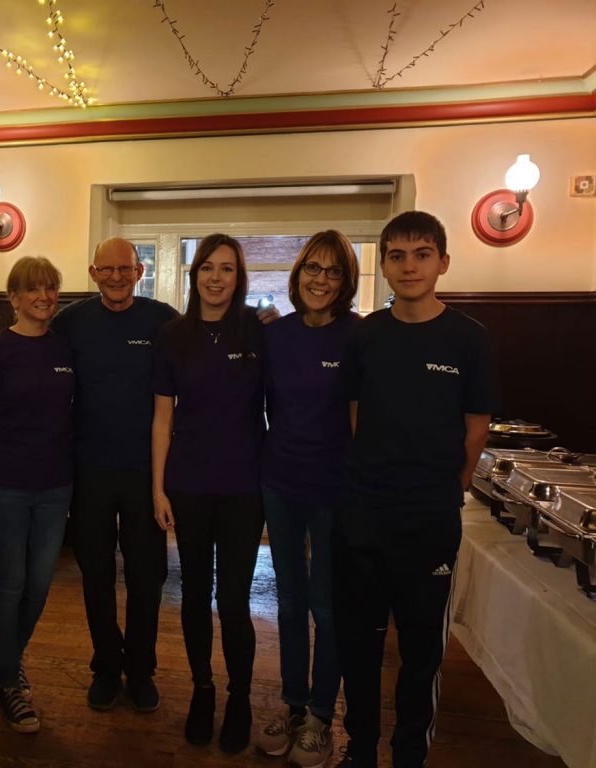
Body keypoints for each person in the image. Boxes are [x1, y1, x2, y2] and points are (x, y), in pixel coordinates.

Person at [0, 238, 176, 713]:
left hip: (145, 474)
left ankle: (140, 670)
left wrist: (260, 323)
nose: (117, 277)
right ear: (94, 272)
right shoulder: (72, 322)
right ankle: (105, 667)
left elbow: (205, 336)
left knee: (147, 578)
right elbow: (26, 333)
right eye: (108, 269)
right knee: (96, 577)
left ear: (140, 271)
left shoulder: (161, 319)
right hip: (86, 473)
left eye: (126, 269)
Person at [334, 211, 499, 768]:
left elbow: (477, 427)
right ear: (383, 266)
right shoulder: (365, 337)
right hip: (363, 512)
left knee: (422, 650)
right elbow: (355, 413)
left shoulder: (469, 339)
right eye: (398, 256)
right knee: (357, 644)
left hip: (429, 518)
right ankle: (359, 748)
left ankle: (409, 756)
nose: (409, 266)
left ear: (443, 263)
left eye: (421, 254)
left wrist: (445, 486)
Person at [151, 233, 266, 754]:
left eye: (227, 269)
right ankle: (203, 689)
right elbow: (162, 416)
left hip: (244, 487)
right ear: (194, 274)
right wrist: (158, 487)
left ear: (238, 278)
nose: (216, 277)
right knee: (195, 596)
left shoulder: (260, 332)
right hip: (189, 485)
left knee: (236, 601)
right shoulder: (173, 335)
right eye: (208, 268)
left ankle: (240, 697)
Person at [254, 231, 361, 768]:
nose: (320, 279)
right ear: (297, 276)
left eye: (333, 271)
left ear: (346, 281)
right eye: (312, 269)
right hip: (280, 482)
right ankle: (294, 705)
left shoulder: (360, 337)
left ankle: (322, 716)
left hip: (336, 491)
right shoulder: (275, 335)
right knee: (290, 603)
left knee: (327, 606)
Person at [0, 256, 75, 734]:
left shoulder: (67, 347)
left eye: (51, 287)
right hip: (2, 487)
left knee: (40, 584)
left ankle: (11, 660)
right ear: (13, 298)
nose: (43, 296)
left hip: (55, 487)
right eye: (33, 289)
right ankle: (10, 682)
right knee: (10, 585)